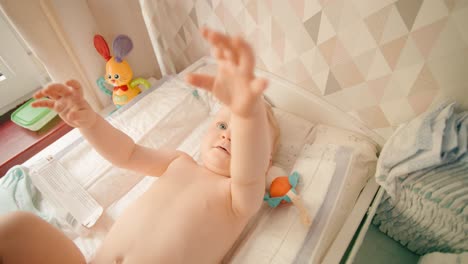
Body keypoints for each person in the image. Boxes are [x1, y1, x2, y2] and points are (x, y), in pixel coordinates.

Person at [0, 28, 280, 264]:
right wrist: (90, 123)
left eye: (242, 135)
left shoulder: (238, 196)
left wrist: (250, 115)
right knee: (16, 228)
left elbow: (248, 173)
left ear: (265, 161)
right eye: (222, 125)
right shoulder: (178, 161)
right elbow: (127, 154)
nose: (228, 136)